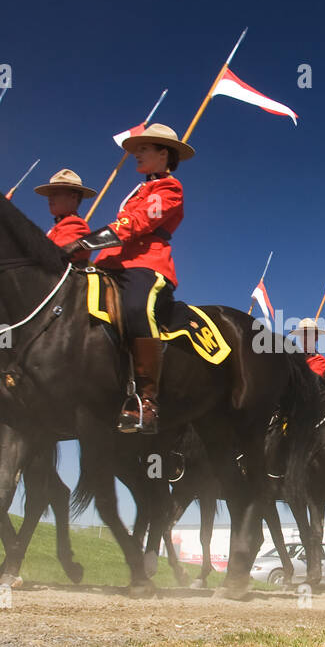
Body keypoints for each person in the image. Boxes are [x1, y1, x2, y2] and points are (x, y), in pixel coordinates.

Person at [56, 123, 193, 435]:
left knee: (135, 309)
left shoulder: (169, 189)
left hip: (146, 264)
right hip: (112, 263)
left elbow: (138, 223)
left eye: (144, 149)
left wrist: (83, 242)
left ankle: (147, 400)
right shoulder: (141, 189)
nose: (137, 154)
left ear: (164, 154)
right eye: (137, 149)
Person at [38, 168, 98, 261]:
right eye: (49, 195)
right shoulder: (58, 225)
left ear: (73, 197)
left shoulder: (74, 223)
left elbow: (55, 255)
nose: (50, 198)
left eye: (55, 194)